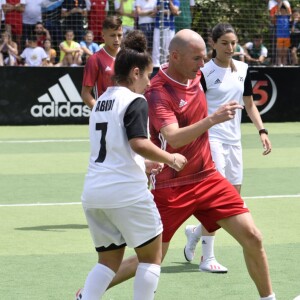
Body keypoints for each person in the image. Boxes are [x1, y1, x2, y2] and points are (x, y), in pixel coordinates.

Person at [77, 29, 276, 300]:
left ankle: (269, 298)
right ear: (175, 57)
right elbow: (172, 138)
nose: (202, 64)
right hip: (172, 185)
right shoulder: (156, 91)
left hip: (208, 177)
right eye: (197, 59)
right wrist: (212, 120)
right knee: (151, 257)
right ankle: (85, 294)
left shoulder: (199, 75)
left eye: (204, 57)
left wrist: (258, 128)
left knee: (253, 237)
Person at [78, 29, 187, 300]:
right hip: (125, 192)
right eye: (148, 75)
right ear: (136, 72)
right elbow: (138, 142)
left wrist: (144, 163)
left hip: (94, 193)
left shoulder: (100, 100)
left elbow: (117, 147)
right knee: (152, 257)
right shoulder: (135, 100)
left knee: (107, 262)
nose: (149, 83)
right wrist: (170, 158)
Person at [183, 23, 272, 274]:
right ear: (213, 44)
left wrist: (262, 131)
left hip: (234, 141)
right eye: (224, 43)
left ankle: (195, 232)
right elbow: (194, 107)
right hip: (211, 139)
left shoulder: (243, 68)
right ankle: (207, 257)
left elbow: (250, 105)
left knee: (233, 198)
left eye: (233, 43)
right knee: (217, 199)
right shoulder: (204, 72)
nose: (230, 47)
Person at [81, 15, 123, 109]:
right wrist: (100, 113)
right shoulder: (94, 59)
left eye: (119, 35)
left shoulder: (128, 57)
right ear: (103, 35)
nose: (116, 39)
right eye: (112, 35)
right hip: (105, 119)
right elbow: (85, 94)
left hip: (125, 115)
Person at [151, 0, 180, 68]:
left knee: (168, 48)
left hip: (170, 28)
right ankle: (155, 66)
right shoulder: (158, 1)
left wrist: (169, 2)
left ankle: (166, 66)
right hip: (158, 26)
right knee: (156, 46)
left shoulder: (175, 1)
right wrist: (161, 9)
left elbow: (175, 11)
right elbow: (154, 11)